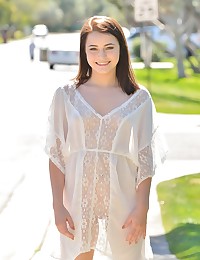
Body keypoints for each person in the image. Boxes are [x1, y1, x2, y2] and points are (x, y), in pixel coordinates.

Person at [45, 16, 167, 260]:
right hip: (77, 202)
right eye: (93, 48)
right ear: (84, 52)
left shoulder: (139, 99)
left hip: (124, 201)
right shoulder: (66, 96)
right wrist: (58, 206)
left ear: (121, 47)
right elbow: (56, 156)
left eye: (109, 47)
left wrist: (142, 207)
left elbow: (146, 158)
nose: (102, 55)